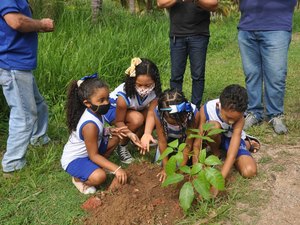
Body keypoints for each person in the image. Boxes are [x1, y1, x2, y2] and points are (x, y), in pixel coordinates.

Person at [0, 0, 54, 173]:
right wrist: (42, 24)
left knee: (39, 105)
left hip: (20, 64)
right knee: (24, 115)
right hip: (12, 65)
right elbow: (16, 21)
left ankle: (39, 139)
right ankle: (13, 164)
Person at [61, 74, 128, 194]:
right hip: (75, 159)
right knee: (99, 177)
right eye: (101, 100)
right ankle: (78, 179)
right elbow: (94, 155)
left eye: (107, 98)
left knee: (118, 136)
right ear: (87, 103)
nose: (106, 103)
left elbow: (98, 131)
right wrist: (117, 169)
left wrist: (109, 130)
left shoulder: (96, 112)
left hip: (90, 150)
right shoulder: (89, 125)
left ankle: (94, 167)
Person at [238, 0, 297, 134]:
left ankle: (275, 114)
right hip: (247, 26)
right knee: (251, 74)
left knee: (276, 75)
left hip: (277, 25)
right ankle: (254, 112)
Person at [195, 84, 260, 196]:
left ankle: (245, 142)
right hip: (215, 138)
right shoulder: (206, 110)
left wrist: (218, 184)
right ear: (219, 105)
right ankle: (217, 153)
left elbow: (231, 155)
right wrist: (196, 172)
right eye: (228, 118)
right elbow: (197, 143)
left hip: (232, 138)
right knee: (213, 126)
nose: (230, 122)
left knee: (250, 171)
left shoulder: (240, 119)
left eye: (234, 119)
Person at [157, 0, 218, 108]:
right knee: (176, 75)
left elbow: (213, 5)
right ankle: (175, 107)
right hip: (177, 35)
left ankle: (195, 108)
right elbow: (161, 3)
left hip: (199, 34)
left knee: (198, 75)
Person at [104, 57, 162, 164]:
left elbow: (150, 113)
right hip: (113, 110)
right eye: (139, 85)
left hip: (132, 110)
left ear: (155, 82)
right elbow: (119, 122)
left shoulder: (155, 93)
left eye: (148, 85)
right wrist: (129, 133)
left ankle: (138, 140)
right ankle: (122, 146)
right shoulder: (124, 96)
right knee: (137, 119)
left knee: (155, 115)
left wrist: (147, 134)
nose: (143, 89)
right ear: (133, 81)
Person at [153, 89, 200, 183]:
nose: (176, 124)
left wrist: (181, 168)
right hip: (169, 138)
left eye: (179, 121)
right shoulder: (158, 113)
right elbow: (162, 141)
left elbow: (188, 143)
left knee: (180, 165)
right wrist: (165, 168)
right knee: (158, 164)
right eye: (172, 122)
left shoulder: (193, 113)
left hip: (184, 139)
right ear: (164, 116)